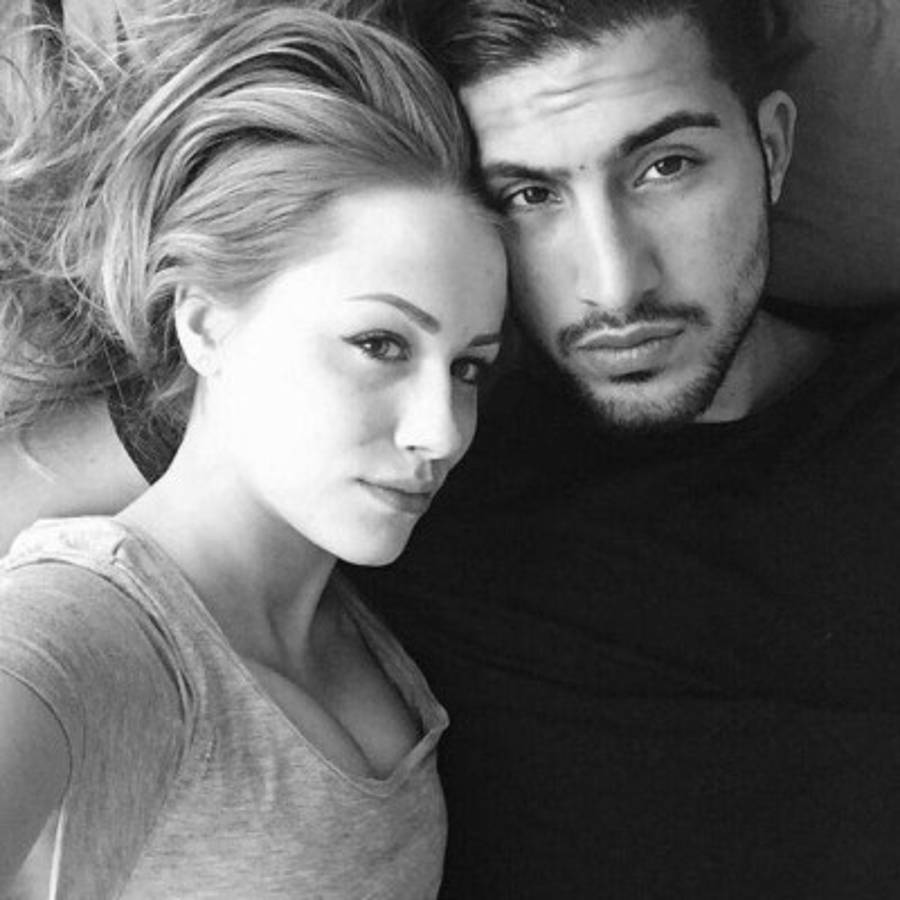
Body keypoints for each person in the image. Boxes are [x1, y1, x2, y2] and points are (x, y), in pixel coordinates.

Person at [342, 0, 900, 896]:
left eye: (666, 166)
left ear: (772, 148)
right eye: (529, 197)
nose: (613, 286)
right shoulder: (414, 462)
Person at [0, 6, 506, 898]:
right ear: (204, 323)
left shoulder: (360, 629)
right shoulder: (86, 626)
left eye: (467, 367)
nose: (443, 430)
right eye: (380, 344)